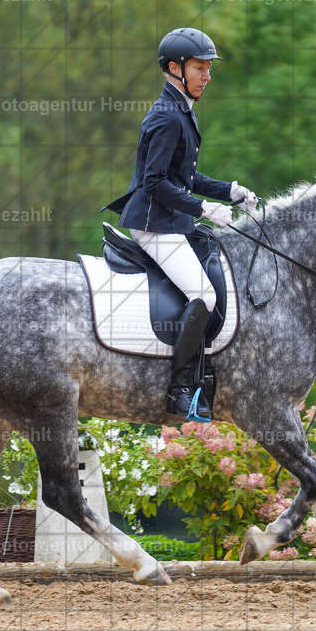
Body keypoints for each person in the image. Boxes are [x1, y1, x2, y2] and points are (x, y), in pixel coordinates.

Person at [103, 27, 257, 422]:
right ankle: (182, 389)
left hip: (172, 219)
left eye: (208, 68)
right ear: (175, 68)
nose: (207, 76)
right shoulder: (168, 116)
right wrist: (204, 209)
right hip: (154, 224)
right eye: (199, 68)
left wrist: (230, 191)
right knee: (204, 295)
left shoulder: (180, 109)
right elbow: (155, 182)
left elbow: (184, 175)